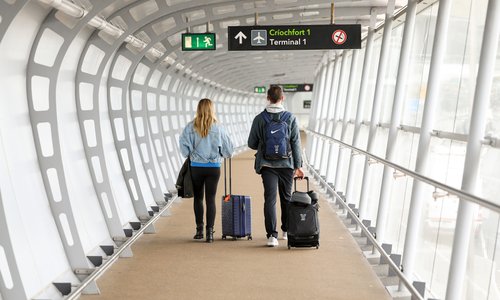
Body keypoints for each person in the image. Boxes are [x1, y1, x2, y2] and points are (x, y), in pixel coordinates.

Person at [247, 85, 304, 247]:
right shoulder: (290, 118)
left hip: (267, 165)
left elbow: (251, 143)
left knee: (270, 200)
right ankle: (286, 230)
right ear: (282, 98)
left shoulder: (260, 118)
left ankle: (272, 235)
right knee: (286, 198)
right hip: (287, 164)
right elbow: (296, 144)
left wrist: (264, 143)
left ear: (267, 98)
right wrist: (298, 166)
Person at [179, 98, 234, 243]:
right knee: (211, 199)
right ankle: (210, 232)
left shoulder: (190, 127)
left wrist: (192, 154)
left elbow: (184, 149)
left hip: (196, 167)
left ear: (198, 109)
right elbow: (229, 150)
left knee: (198, 198)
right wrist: (220, 154)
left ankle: (199, 230)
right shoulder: (219, 128)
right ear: (212, 110)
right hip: (213, 168)